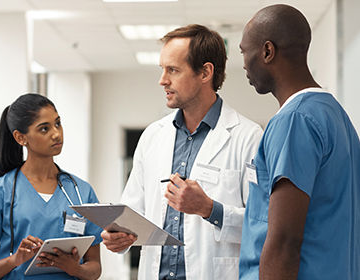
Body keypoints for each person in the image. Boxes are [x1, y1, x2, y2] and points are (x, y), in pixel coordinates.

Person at [100, 25, 263, 280]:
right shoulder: (153, 136)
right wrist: (120, 236)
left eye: (173, 70)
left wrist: (209, 209)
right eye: (162, 69)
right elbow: (134, 212)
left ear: (205, 72)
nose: (162, 80)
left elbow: (263, 224)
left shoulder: (247, 137)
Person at [239, 4, 360, 280]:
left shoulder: (294, 120)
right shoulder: (335, 115)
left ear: (268, 51)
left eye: (245, 52)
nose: (244, 63)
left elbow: (284, 241)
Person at [0, 93, 102, 279]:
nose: (56, 133)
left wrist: (74, 268)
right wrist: (15, 260)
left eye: (58, 123)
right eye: (44, 129)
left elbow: (95, 268)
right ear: (21, 138)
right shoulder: (2, 192)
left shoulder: (81, 192)